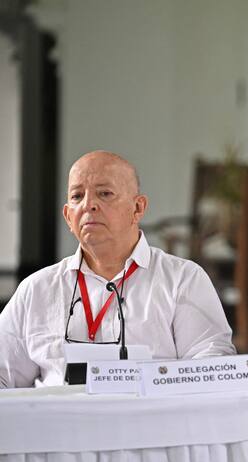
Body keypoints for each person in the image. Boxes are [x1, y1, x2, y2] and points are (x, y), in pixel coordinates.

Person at [0, 150, 235, 388]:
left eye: (105, 193)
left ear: (138, 208)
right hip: (58, 412)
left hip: (150, 411)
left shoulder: (182, 280)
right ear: (68, 216)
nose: (89, 205)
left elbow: (211, 367)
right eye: (77, 196)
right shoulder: (37, 289)